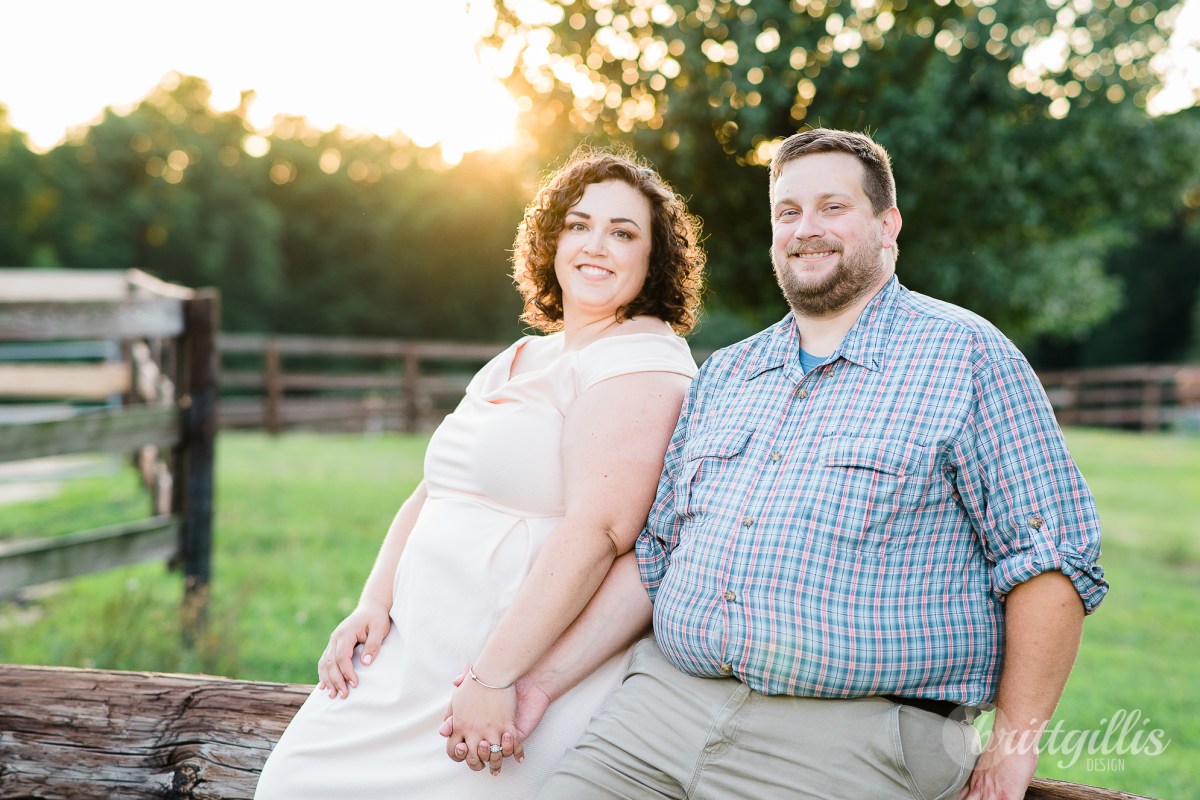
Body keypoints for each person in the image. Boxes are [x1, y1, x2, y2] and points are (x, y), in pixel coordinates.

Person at [527, 128, 1108, 800]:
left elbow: (1048, 562)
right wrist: (537, 684)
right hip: (659, 713)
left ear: (887, 225)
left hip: (849, 743)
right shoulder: (728, 374)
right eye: (789, 211)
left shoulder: (969, 357)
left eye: (833, 207)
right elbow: (656, 560)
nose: (807, 229)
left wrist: (1012, 751)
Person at [253, 148, 705, 800]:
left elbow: (601, 532)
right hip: (411, 656)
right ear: (551, 241)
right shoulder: (524, 355)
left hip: (502, 667)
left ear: (654, 258)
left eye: (623, 232)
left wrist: (496, 679)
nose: (595, 245)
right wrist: (373, 602)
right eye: (578, 225)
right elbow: (436, 488)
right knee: (292, 782)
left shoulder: (642, 362)